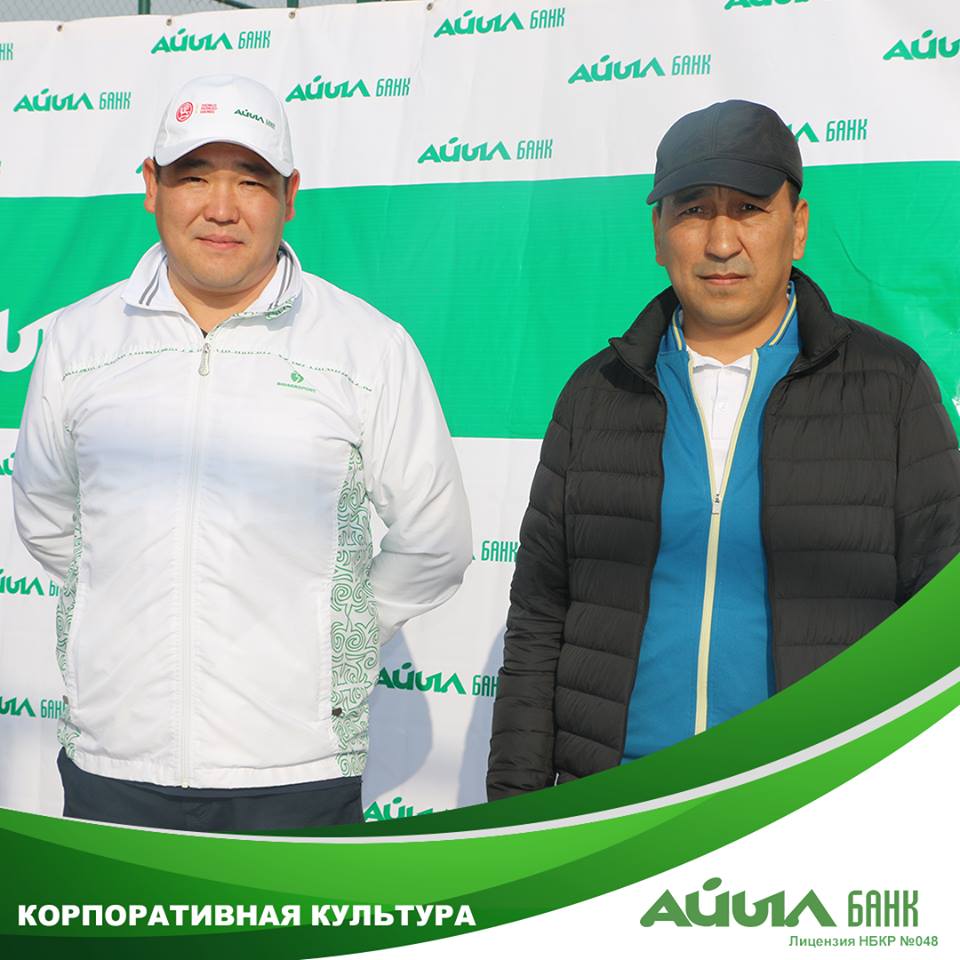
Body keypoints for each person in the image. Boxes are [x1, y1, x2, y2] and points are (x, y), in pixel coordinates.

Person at [13, 74, 472, 831]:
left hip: (296, 774)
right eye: (194, 176)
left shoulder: (366, 346)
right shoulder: (78, 340)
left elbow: (436, 539)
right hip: (112, 763)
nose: (222, 207)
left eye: (251, 180)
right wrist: (119, 615)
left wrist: (333, 638)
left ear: (290, 194)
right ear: (150, 187)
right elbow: (46, 514)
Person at [486, 99, 960, 799]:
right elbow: (539, 617)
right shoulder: (598, 394)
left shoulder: (889, 388)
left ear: (797, 227)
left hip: (809, 802)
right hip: (616, 804)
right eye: (693, 211)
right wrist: (517, 810)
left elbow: (940, 623)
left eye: (748, 209)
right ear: (658, 234)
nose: (720, 242)